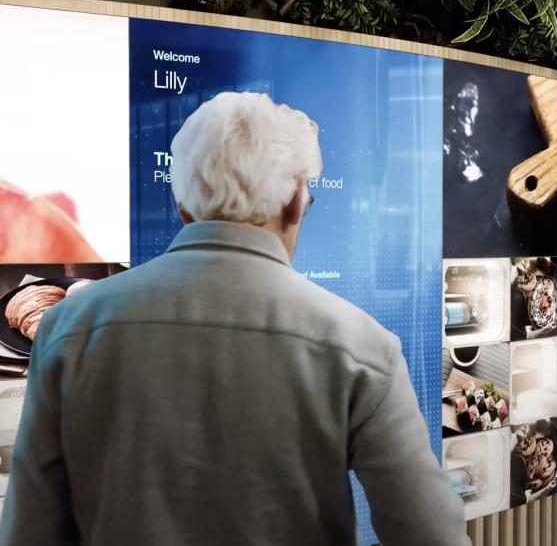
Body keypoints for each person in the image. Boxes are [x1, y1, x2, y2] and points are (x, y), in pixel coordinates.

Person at [0, 92, 469, 546]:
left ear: (181, 206)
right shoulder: (365, 349)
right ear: (296, 200)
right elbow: (429, 536)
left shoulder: (69, 328)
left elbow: (29, 531)